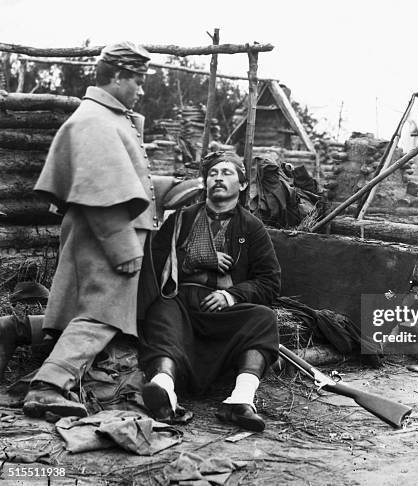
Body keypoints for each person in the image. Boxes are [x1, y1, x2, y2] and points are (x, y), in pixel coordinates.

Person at [21, 42, 160, 418]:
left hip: (100, 231)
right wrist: (123, 246)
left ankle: (23, 340)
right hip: (107, 234)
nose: (142, 90)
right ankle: (49, 386)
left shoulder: (104, 116)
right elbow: (102, 192)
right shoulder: (96, 120)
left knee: (87, 310)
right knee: (102, 315)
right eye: (139, 80)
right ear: (116, 77)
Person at [137, 151, 281, 432]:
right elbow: (153, 263)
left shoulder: (251, 227)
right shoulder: (181, 220)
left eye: (227, 173)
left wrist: (231, 296)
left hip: (222, 312)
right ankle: (164, 388)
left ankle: (240, 400)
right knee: (161, 310)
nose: (218, 178)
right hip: (180, 303)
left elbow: (270, 281)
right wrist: (194, 258)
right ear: (205, 182)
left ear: (241, 185)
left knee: (264, 318)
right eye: (213, 173)